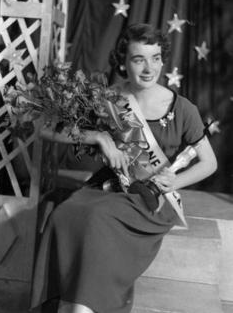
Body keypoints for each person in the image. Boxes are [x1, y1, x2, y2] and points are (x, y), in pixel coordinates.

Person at [31, 23, 217, 313]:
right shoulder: (110, 99)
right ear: (123, 61)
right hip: (109, 186)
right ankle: (66, 303)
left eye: (155, 58)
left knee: (96, 218)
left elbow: (209, 162)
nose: (148, 68)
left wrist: (175, 182)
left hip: (151, 198)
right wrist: (98, 136)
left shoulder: (182, 108)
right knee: (64, 213)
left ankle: (84, 306)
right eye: (138, 59)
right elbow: (43, 127)